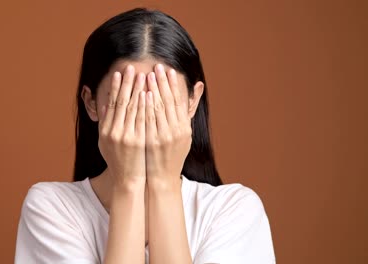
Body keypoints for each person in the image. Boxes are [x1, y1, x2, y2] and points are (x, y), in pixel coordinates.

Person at [15, 8, 275, 264]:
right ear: (91, 103)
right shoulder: (51, 208)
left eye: (162, 98)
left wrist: (164, 184)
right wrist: (128, 184)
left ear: (192, 102)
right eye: (126, 98)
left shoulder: (234, 212)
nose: (146, 115)